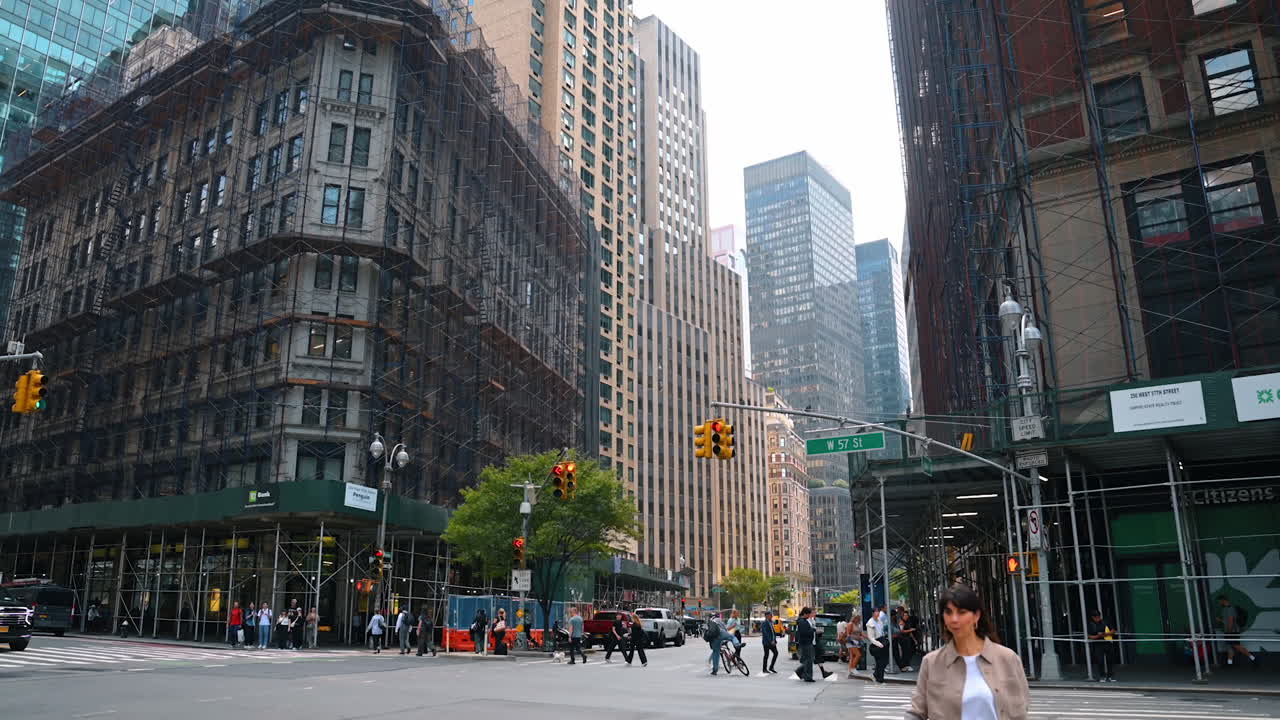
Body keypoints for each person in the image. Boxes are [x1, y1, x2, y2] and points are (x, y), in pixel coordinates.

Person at [906, 585, 1029, 720]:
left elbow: (1021, 710)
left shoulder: (1007, 658)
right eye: (948, 612)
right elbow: (916, 712)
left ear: (976, 615)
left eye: (962, 612)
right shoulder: (931, 662)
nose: (954, 619)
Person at [1217, 595, 1257, 668]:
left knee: (1237, 646)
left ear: (1223, 600)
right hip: (1228, 630)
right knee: (1229, 647)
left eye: (1219, 601)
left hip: (1232, 631)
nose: (1219, 603)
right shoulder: (1225, 609)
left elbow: (1231, 621)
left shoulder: (1230, 609)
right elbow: (1227, 621)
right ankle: (1229, 663)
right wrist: (1221, 621)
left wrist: (1228, 631)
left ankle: (1253, 658)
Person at [1086, 610, 1118, 682]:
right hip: (1098, 644)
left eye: (1098, 616)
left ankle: (1110, 676)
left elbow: (1113, 630)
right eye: (1096, 617)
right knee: (1100, 661)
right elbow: (1090, 636)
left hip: (1107, 642)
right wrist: (1098, 635)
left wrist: (1106, 634)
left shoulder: (1105, 622)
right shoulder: (1091, 624)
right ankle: (1102, 676)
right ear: (1093, 617)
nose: (1098, 618)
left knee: (1110, 660)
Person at [794, 607, 817, 682]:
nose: (809, 615)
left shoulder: (803, 620)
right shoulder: (802, 621)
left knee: (808, 659)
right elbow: (805, 632)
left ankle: (801, 672)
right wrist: (813, 630)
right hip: (806, 642)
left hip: (806, 642)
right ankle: (807, 676)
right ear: (805, 613)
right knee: (809, 660)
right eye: (809, 614)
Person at [866, 608, 888, 683]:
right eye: (876, 612)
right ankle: (880, 678)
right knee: (880, 662)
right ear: (873, 613)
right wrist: (879, 644)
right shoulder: (870, 623)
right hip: (876, 643)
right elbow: (871, 637)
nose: (878, 613)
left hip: (882, 640)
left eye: (878, 611)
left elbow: (881, 631)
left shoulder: (879, 621)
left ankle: (876, 675)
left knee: (884, 661)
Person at [844, 614, 865, 678]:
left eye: (859, 619)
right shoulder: (850, 624)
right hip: (851, 642)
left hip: (856, 642)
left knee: (853, 656)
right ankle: (853, 668)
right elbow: (848, 634)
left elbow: (861, 634)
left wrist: (868, 637)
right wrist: (853, 639)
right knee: (858, 655)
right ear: (854, 618)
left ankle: (851, 670)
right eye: (858, 618)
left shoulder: (858, 625)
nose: (859, 620)